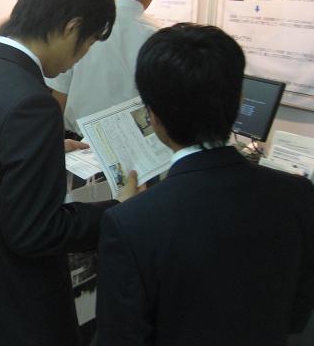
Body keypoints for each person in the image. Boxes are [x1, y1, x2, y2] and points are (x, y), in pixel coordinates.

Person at [0, 0, 139, 345]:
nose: (81, 57)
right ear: (71, 28)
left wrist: (43, 149)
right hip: (20, 306)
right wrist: (117, 212)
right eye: (88, 43)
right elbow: (34, 231)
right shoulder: (33, 103)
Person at [96, 23, 314, 346]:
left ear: (153, 116)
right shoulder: (298, 195)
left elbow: (120, 338)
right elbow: (296, 314)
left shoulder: (130, 223)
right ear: (240, 100)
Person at [47, 0, 164, 135]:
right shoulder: (159, 38)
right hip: (133, 142)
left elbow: (59, 95)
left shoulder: (80, 26)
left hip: (76, 142)